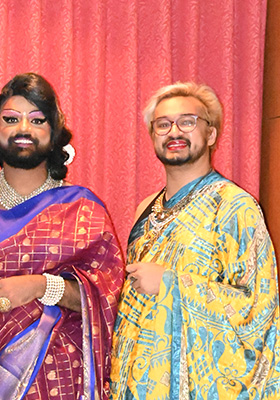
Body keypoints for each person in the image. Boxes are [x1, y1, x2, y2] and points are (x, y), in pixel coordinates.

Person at [0, 73, 125, 400]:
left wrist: (41, 286)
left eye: (37, 120)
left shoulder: (84, 207)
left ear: (53, 136)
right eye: (11, 119)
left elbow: (109, 296)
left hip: (67, 380)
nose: (23, 128)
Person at [109, 82, 280, 399]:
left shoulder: (234, 206)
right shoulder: (144, 209)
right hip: (139, 377)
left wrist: (170, 283)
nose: (174, 132)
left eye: (187, 122)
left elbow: (258, 307)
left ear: (211, 134)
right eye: (163, 125)